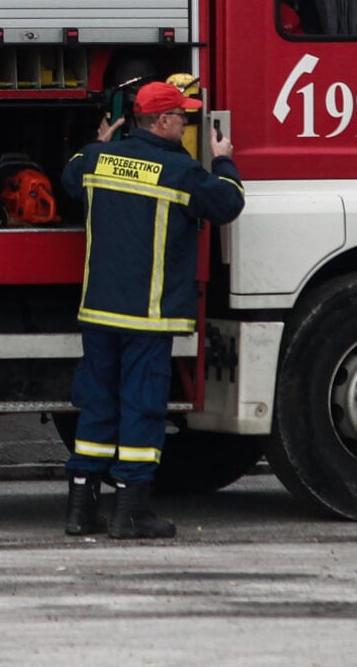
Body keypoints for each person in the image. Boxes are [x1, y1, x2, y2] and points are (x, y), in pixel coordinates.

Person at [59, 80, 245, 539]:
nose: (186, 123)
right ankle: (130, 513)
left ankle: (81, 511)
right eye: (182, 116)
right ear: (161, 121)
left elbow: (71, 174)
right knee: (141, 408)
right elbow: (228, 202)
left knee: (97, 407)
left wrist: (97, 142)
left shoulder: (96, 161)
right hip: (147, 315)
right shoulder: (178, 171)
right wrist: (222, 157)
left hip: (99, 312)